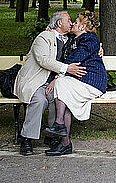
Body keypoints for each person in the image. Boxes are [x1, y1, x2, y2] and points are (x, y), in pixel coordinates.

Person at [14, 11, 87, 156]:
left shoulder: (68, 40)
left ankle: (53, 136)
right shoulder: (44, 37)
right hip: (36, 81)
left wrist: (100, 50)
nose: (72, 23)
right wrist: (67, 68)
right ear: (59, 23)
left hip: (55, 81)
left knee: (59, 98)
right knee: (39, 100)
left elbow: (86, 47)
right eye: (68, 20)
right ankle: (26, 138)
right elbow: (43, 60)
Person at [43, 10, 107, 156]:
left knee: (60, 85)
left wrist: (56, 78)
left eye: (76, 22)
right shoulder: (74, 39)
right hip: (79, 80)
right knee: (64, 103)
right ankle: (65, 144)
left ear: (83, 27)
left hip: (92, 81)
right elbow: (61, 40)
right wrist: (50, 31)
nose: (73, 23)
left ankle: (59, 125)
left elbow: (75, 58)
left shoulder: (90, 39)